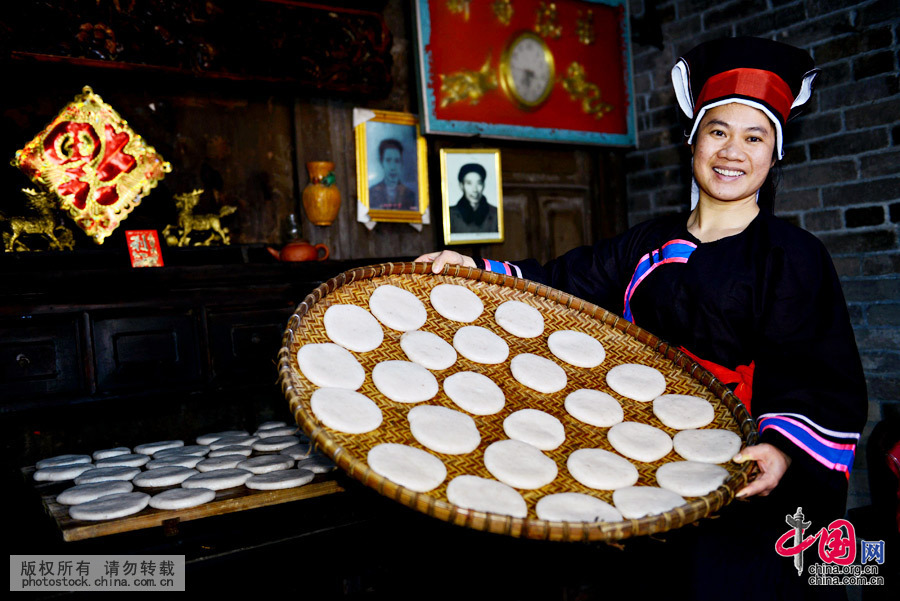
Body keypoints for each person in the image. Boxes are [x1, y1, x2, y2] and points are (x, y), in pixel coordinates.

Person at [418, 37, 867, 600]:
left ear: (775, 153)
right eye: (718, 131)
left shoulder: (792, 255)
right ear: (693, 139)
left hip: (740, 477)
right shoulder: (648, 243)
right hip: (643, 472)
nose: (732, 151)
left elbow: (821, 377)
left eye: (754, 137)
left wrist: (781, 451)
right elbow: (560, 284)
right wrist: (475, 270)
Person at [448, 163, 498, 234]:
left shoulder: (496, 214)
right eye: (469, 183)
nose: (475, 190)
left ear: (483, 185)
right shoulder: (450, 215)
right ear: (461, 186)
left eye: (479, 183)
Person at [368, 138, 417, 211]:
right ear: (382, 162)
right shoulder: (371, 193)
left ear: (401, 163)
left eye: (397, 161)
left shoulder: (410, 195)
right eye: (388, 160)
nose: (393, 167)